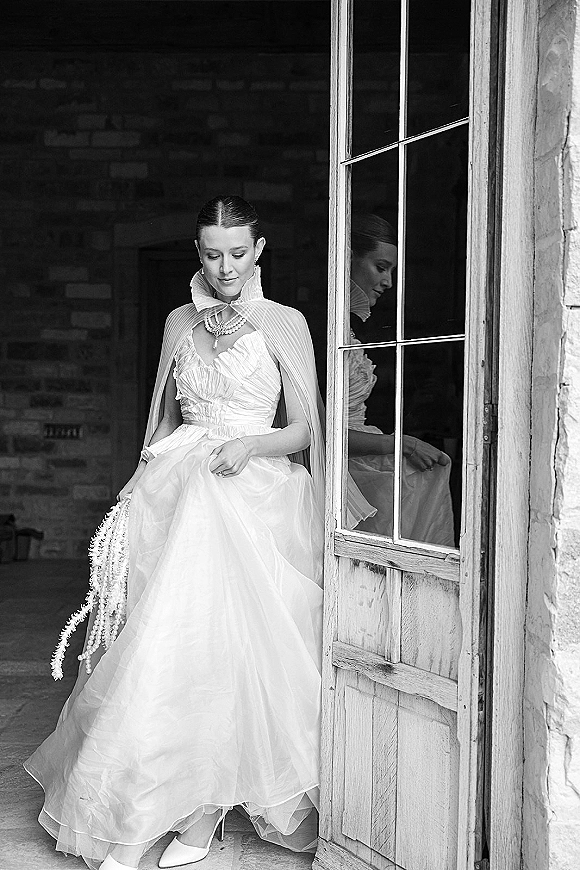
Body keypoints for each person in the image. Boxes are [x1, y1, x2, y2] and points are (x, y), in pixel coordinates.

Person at [24, 196, 332, 870]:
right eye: (211, 253)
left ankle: (203, 813)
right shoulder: (176, 321)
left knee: (228, 655)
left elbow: (309, 430)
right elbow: (161, 420)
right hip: (175, 493)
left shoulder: (286, 322)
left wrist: (251, 449)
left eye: (238, 252)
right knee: (163, 646)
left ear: (260, 250)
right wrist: (139, 486)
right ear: (198, 254)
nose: (224, 266)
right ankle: (135, 819)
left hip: (252, 498)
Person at [347, 213, 455, 546]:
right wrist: (401, 443)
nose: (388, 281)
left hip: (362, 442)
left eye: (392, 270)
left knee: (433, 470)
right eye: (381, 267)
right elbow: (318, 428)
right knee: (416, 481)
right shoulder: (322, 332)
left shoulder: (351, 332)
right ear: (348, 258)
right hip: (339, 456)